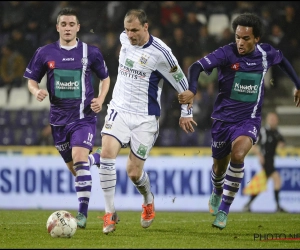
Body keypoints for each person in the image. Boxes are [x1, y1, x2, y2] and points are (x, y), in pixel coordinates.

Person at [178, 12, 300, 230]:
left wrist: (298, 84)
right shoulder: (227, 52)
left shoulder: (266, 54)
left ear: (256, 39)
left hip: (248, 120)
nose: (240, 42)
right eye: (237, 37)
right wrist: (193, 89)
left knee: (238, 154)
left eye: (245, 38)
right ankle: (216, 190)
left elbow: (283, 62)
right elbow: (195, 67)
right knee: (218, 167)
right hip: (222, 120)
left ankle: (224, 209)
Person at [97, 9, 196, 234]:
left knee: (133, 171)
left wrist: (186, 112)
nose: (130, 35)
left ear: (146, 27)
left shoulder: (162, 54)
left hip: (145, 118)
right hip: (119, 110)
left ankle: (148, 199)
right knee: (107, 154)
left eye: (134, 30)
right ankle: (109, 213)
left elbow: (183, 85)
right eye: (127, 30)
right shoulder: (124, 39)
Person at [23, 7, 110, 229]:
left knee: (80, 161)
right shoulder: (45, 52)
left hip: (83, 118)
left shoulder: (91, 52)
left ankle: (82, 215)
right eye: (64, 24)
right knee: (75, 168)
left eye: (72, 24)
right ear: (58, 27)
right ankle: (95, 159)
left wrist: (100, 98)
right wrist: (36, 92)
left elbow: (105, 78)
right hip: (58, 121)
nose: (68, 28)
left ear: (78, 27)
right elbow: (32, 80)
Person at [243, 112, 286, 212]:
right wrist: (260, 155)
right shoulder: (263, 131)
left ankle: (248, 204)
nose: (273, 121)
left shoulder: (276, 132)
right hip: (266, 160)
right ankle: (278, 206)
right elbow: (253, 145)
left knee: (262, 183)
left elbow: (282, 142)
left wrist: (281, 144)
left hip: (271, 160)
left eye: (274, 119)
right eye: (271, 119)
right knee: (276, 178)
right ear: (267, 120)